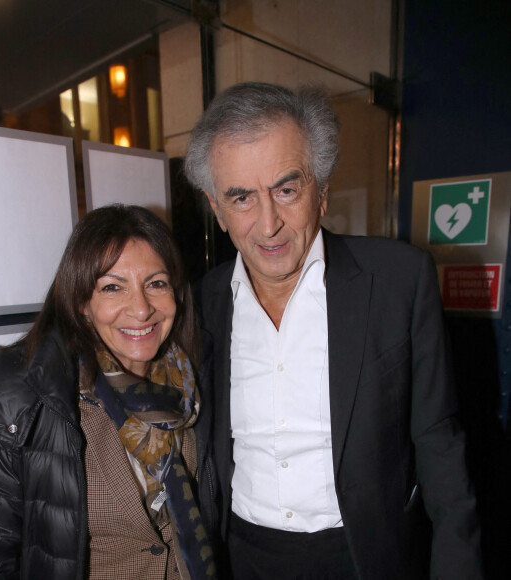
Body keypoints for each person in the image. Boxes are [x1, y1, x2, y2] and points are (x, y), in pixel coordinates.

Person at [184, 82, 483, 580]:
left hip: (364, 556)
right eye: (241, 198)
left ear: (321, 192)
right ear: (216, 209)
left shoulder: (398, 281)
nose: (268, 224)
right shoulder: (199, 305)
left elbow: (440, 447)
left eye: (286, 188)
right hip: (242, 558)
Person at [0, 204, 216, 580]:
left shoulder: (195, 381)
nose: (141, 308)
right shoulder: (23, 396)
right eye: (112, 287)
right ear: (82, 301)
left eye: (156, 283)